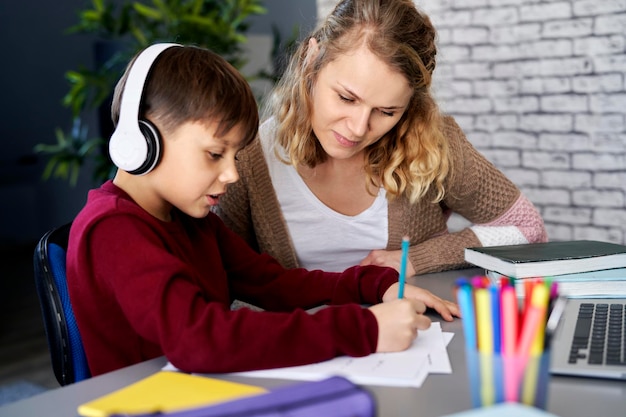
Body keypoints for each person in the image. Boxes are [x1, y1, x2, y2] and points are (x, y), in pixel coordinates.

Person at [66, 43, 459, 377]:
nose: (231, 173)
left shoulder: (189, 220)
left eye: (234, 155)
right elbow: (200, 340)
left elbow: (274, 284)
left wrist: (374, 284)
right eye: (215, 154)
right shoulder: (113, 230)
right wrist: (364, 329)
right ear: (142, 141)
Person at [215, 0, 547, 277]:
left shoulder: (432, 141)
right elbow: (226, 275)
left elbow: (526, 227)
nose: (358, 129)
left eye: (386, 112)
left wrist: (417, 259)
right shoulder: (250, 156)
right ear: (310, 61)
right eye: (346, 98)